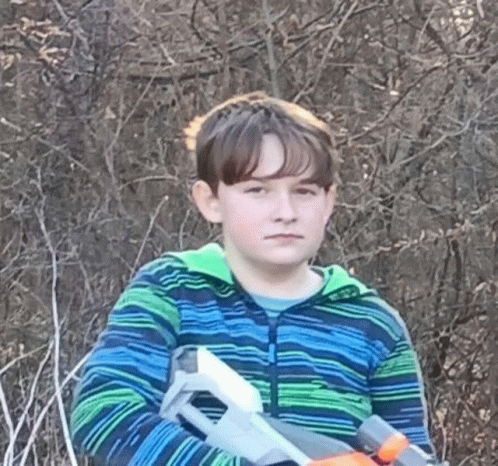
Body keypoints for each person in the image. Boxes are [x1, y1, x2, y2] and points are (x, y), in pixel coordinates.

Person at [70, 92, 435, 466]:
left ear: (329, 202)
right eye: (258, 190)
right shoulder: (171, 290)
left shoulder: (374, 325)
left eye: (304, 191)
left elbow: (412, 454)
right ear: (210, 201)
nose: (286, 212)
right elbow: (103, 413)